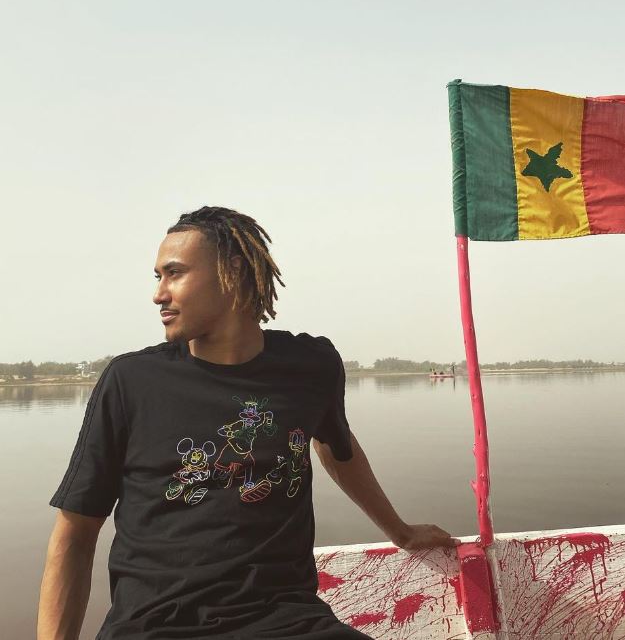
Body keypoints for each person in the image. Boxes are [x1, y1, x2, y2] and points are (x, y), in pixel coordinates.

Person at [38, 206, 459, 639]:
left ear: (233, 271)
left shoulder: (310, 366)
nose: (158, 294)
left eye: (174, 274)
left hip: (288, 622)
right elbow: (75, 532)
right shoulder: (131, 381)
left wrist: (399, 531)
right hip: (154, 626)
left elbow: (337, 446)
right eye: (158, 277)